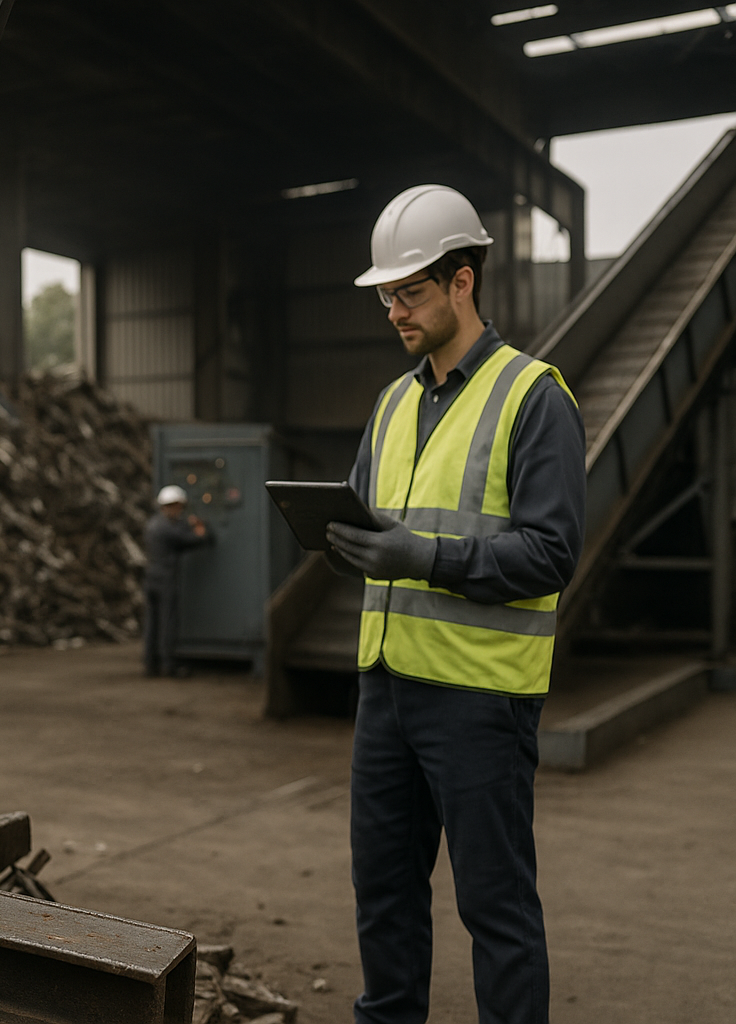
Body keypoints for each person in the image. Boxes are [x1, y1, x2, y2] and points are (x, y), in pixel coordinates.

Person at [325, 184, 586, 1024]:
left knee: (495, 909)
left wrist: (424, 557)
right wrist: (346, 540)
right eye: (386, 295)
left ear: (463, 281)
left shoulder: (534, 396)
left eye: (411, 292)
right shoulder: (393, 402)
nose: (394, 311)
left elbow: (551, 553)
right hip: (386, 690)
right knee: (384, 897)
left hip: (480, 697)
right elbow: (370, 517)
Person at [143, 485, 210, 678]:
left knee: (152, 623)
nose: (179, 511)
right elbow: (192, 540)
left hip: (151, 578)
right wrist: (200, 530)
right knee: (167, 622)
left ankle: (150, 664)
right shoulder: (167, 528)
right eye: (178, 507)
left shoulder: (153, 524)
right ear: (171, 506)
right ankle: (168, 664)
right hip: (165, 580)